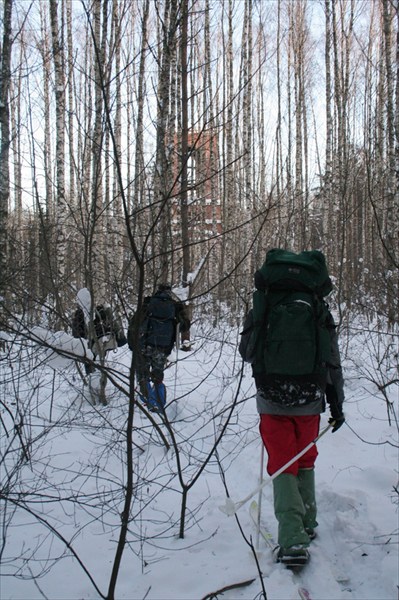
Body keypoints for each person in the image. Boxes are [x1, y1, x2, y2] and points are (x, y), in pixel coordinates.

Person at [239, 249, 345, 567]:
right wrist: (336, 401)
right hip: (310, 396)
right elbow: (332, 359)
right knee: (305, 456)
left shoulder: (264, 302)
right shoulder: (317, 306)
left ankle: (292, 540)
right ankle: (307, 523)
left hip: (271, 395)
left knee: (284, 462)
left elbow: (247, 351)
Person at [128, 284, 190, 412]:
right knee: (157, 376)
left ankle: (147, 404)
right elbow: (185, 326)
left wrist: (132, 344)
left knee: (142, 375)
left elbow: (134, 323)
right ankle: (159, 404)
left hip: (145, 345)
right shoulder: (174, 305)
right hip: (163, 347)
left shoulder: (148, 303)